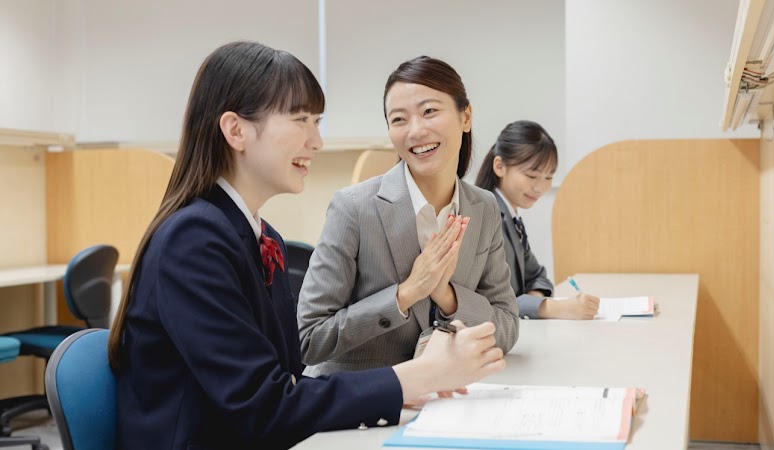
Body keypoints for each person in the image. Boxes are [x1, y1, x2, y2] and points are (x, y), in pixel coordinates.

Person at [107, 42, 506, 450]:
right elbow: (264, 407)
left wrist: (402, 389)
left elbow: (290, 377)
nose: (316, 141)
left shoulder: (259, 236)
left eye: (316, 121)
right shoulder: (191, 241)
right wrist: (417, 376)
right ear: (236, 130)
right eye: (301, 120)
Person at [297, 56, 519, 376]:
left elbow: (508, 327)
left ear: (466, 116)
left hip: (447, 396)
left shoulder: (483, 208)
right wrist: (407, 293)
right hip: (361, 402)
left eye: (429, 111)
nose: (416, 131)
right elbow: (309, 339)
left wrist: (447, 296)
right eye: (399, 119)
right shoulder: (353, 208)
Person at [475, 120, 599, 320]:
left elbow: (538, 276)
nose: (540, 188)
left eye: (548, 177)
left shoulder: (510, 217)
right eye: (532, 176)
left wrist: (533, 300)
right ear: (499, 166)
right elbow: (486, 301)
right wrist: (548, 308)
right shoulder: (484, 218)